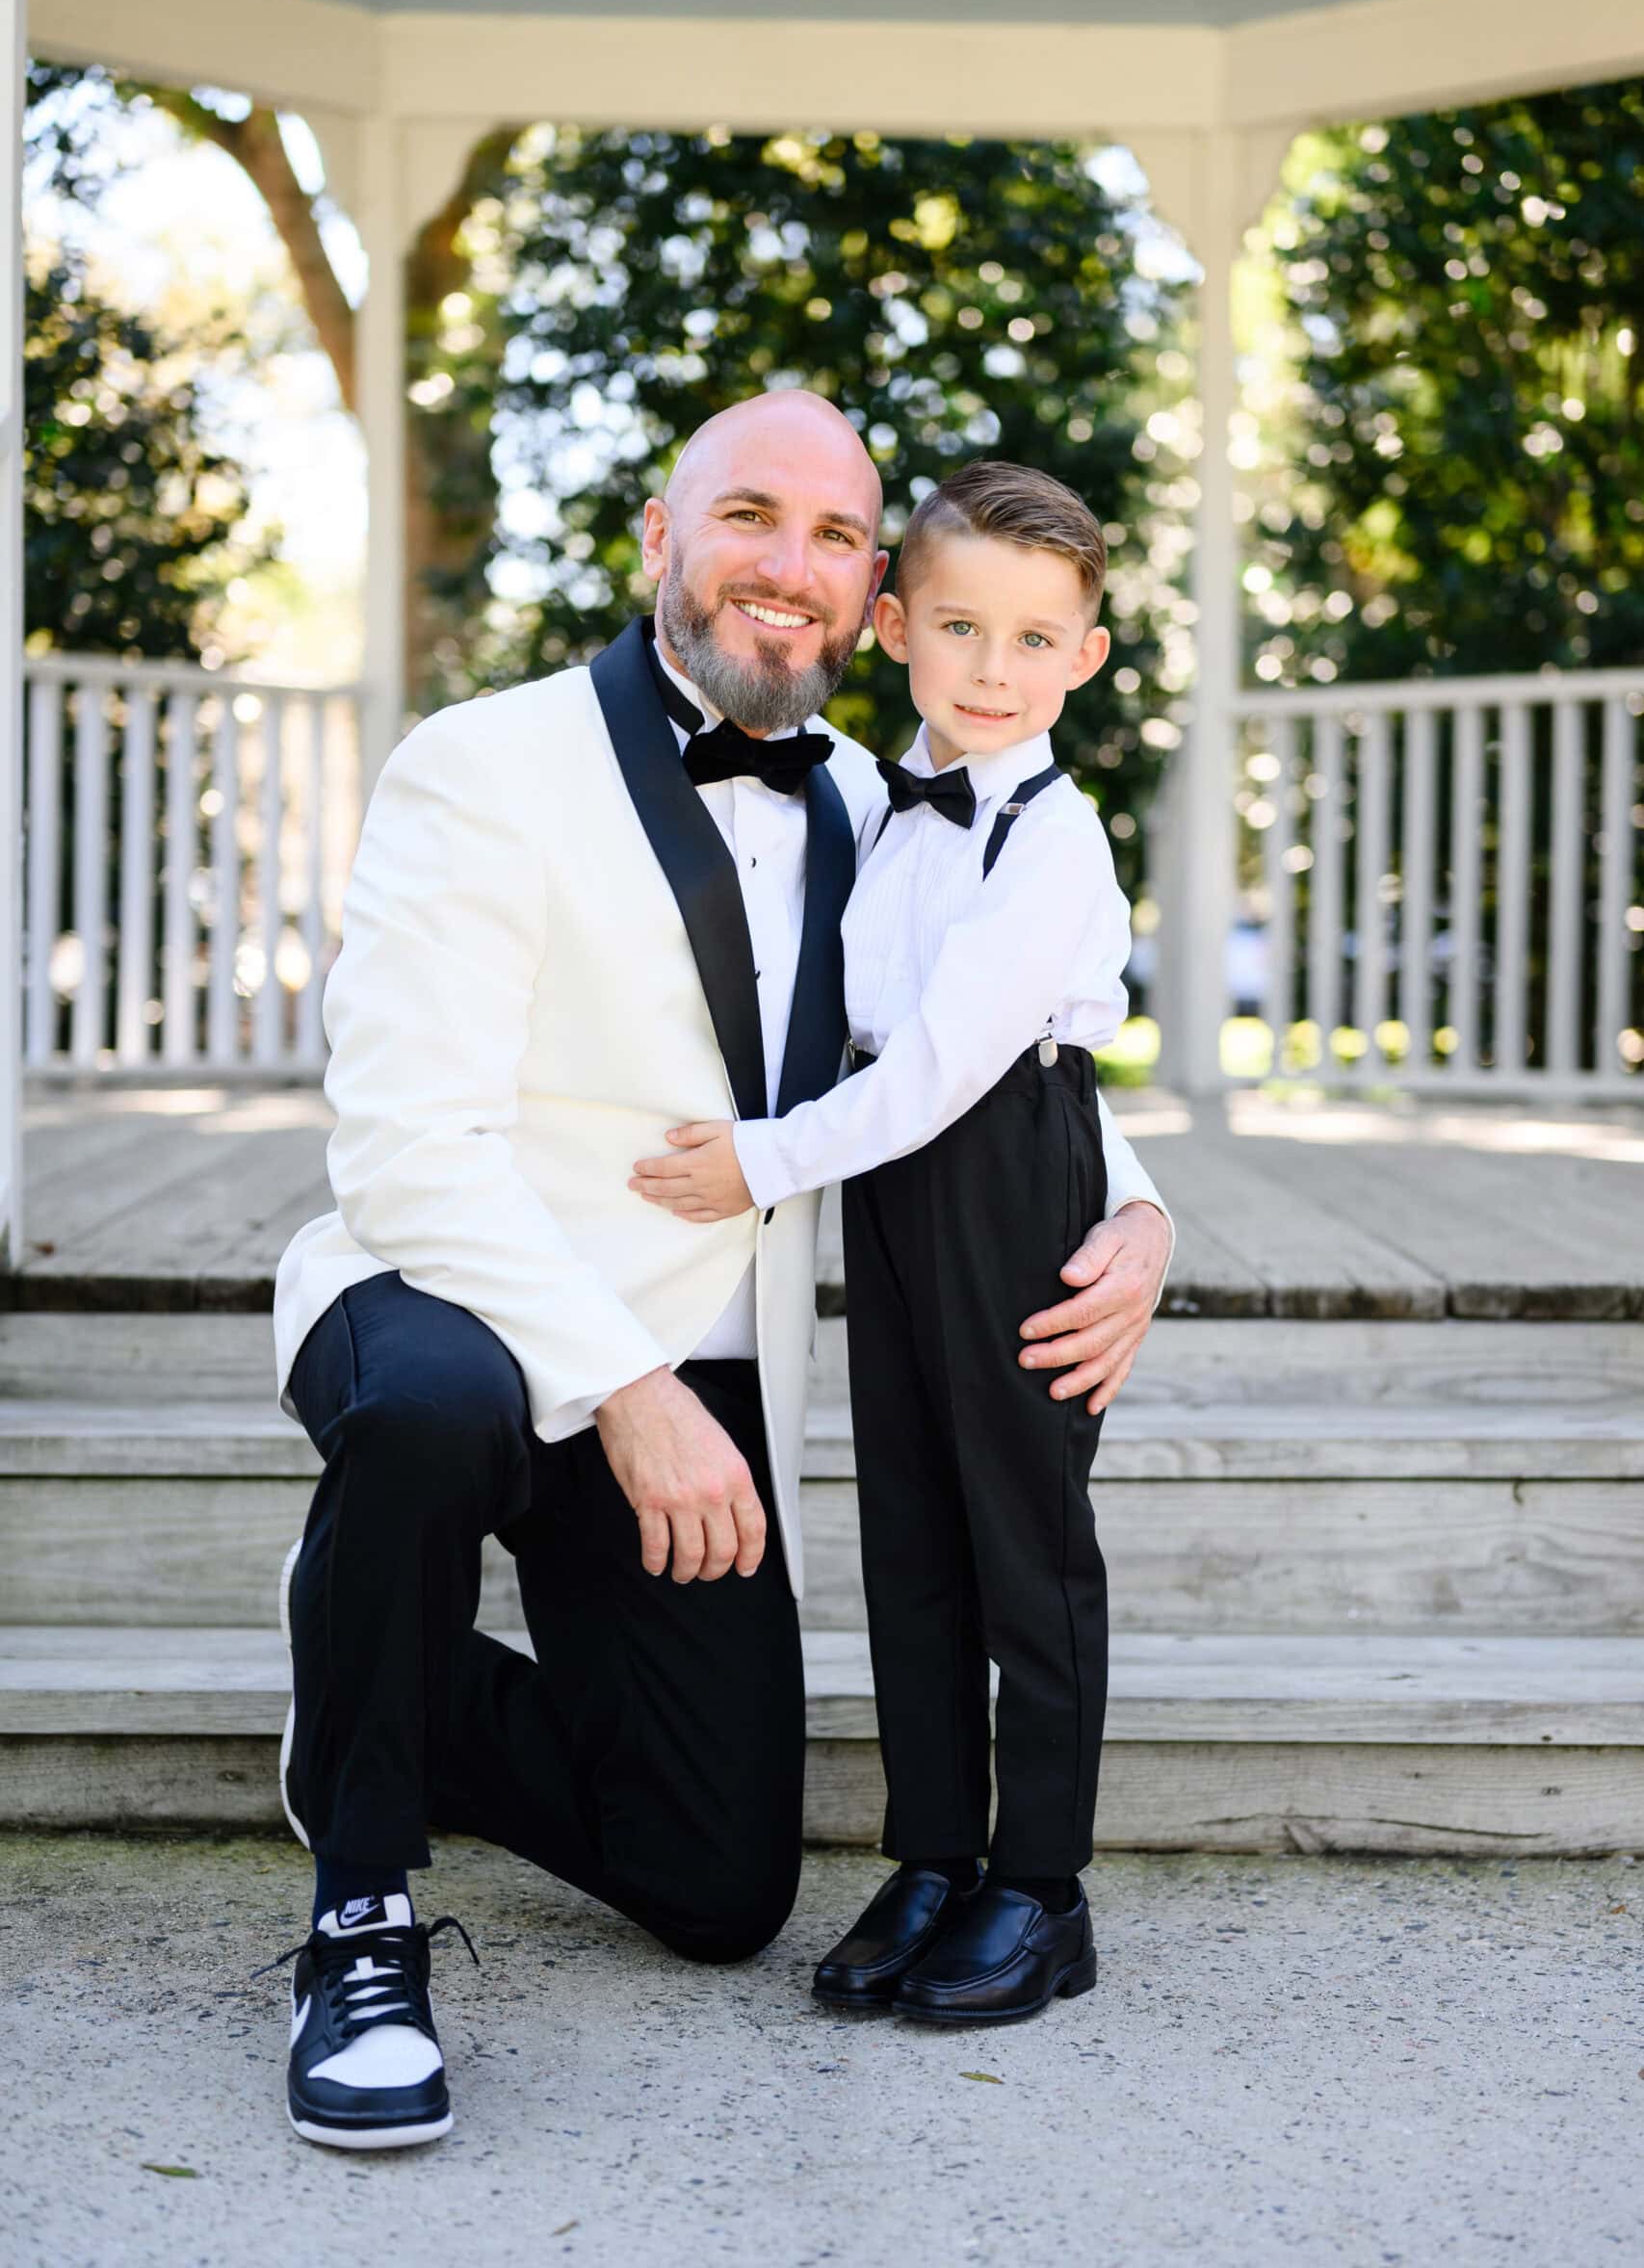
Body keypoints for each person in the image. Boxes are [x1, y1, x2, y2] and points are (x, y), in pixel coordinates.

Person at [267, 395, 1173, 2150]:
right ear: (659, 539)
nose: (790, 565)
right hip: (459, 1296)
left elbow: (985, 1039)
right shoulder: (485, 760)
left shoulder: (882, 792)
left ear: (869, 591)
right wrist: (623, 1386)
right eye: (750, 513)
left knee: (715, 1881)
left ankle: (381, 1671)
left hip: (710, 1341)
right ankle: (361, 1919)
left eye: (835, 535)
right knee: (433, 1413)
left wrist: (1139, 1217)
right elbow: (403, 1145)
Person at [630, 460, 1136, 2025]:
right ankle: (932, 1858)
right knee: (911, 1535)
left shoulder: (1054, 840)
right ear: (898, 627)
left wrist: (759, 1165)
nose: (994, 671)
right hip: (896, 1184)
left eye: (1035, 641)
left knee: (1024, 1551)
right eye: (962, 628)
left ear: (1086, 658)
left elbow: (946, 1069)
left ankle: (1041, 1888)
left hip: (1008, 1172)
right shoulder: (867, 796)